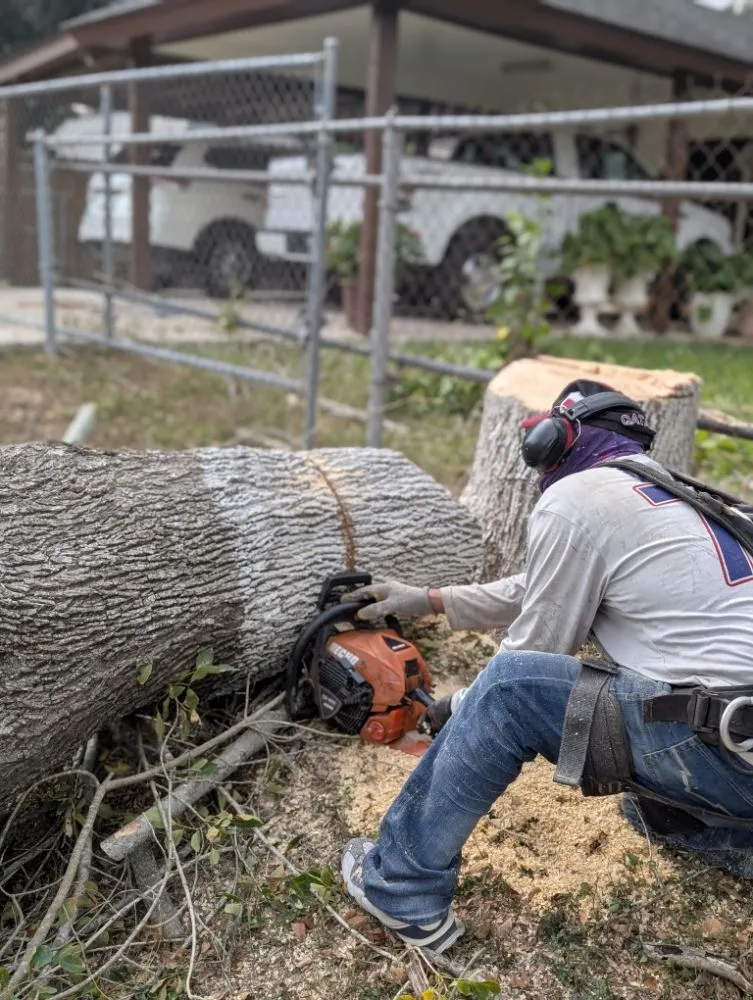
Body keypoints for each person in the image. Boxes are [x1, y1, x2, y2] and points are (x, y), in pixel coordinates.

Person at [340, 379, 753, 955]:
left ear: (557, 438)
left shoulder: (578, 496)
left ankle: (400, 887)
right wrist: (429, 599)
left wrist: (458, 707)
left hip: (722, 745)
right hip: (740, 743)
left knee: (508, 690)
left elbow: (532, 655)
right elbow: (541, 585)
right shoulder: (679, 499)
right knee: (649, 810)